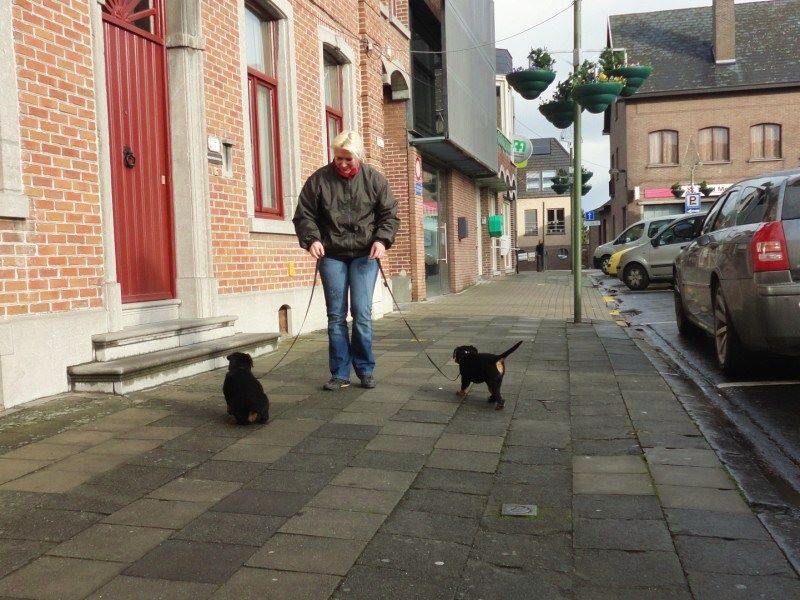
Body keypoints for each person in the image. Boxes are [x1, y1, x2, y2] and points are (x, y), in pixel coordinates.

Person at [293, 131, 400, 391]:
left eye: (348, 159)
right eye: (338, 158)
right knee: (336, 316)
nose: (342, 163)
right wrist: (312, 239)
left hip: (365, 255)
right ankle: (340, 373)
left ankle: (365, 369)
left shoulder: (375, 180)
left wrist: (381, 240)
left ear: (358, 156)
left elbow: (389, 215)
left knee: (362, 314)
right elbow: (304, 215)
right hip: (332, 255)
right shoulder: (319, 180)